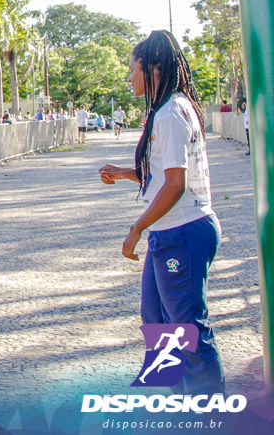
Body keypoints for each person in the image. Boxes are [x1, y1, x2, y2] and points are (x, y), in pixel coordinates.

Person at [98, 30, 224, 395]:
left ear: (153, 69)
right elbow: (164, 172)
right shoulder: (168, 108)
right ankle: (179, 397)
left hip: (182, 232)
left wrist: (136, 228)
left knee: (188, 329)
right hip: (170, 233)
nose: (129, 77)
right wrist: (124, 172)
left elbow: (175, 184)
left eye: (132, 69)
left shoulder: (170, 112)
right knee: (156, 319)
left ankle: (208, 412)